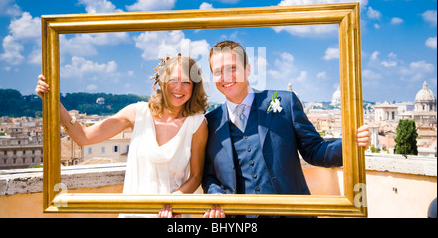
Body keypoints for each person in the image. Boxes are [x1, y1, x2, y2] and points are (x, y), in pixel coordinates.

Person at [202, 40, 371, 218]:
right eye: (218, 71)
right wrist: (216, 196)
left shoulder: (286, 102)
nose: (225, 77)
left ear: (248, 69)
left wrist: (350, 144)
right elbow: (209, 175)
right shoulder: (211, 122)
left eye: (232, 68)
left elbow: (315, 150)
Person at [36, 55, 209, 218]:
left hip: (173, 216)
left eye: (187, 82)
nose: (179, 88)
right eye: (173, 80)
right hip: (134, 214)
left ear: (194, 87)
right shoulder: (137, 113)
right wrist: (54, 102)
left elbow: (196, 176)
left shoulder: (197, 124)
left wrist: (173, 202)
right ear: (163, 82)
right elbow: (84, 136)